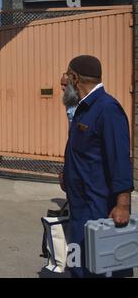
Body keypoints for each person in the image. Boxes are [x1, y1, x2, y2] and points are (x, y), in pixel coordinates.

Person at [60, 55, 134, 278]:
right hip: (80, 205)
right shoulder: (83, 108)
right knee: (79, 264)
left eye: (67, 74)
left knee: (99, 269)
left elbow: (120, 159)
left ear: (75, 78)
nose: (64, 80)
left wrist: (123, 204)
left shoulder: (107, 109)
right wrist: (67, 172)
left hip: (98, 207)